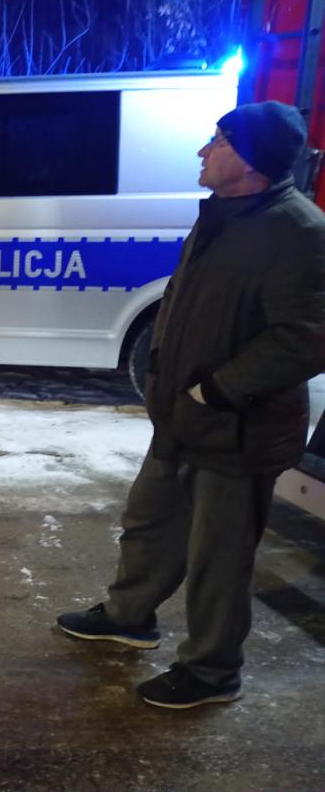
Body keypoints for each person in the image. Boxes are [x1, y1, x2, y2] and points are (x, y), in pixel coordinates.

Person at [57, 100, 325, 709]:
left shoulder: (299, 231)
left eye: (218, 141)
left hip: (237, 428)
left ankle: (212, 671)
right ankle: (128, 616)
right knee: (150, 522)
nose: (203, 151)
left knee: (218, 558)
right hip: (183, 416)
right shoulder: (222, 216)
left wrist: (217, 390)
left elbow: (305, 338)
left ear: (251, 159)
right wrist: (165, 376)